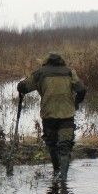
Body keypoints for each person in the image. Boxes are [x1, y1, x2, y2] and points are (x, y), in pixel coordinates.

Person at [17, 53, 86, 181]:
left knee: (52, 145)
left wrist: (20, 85)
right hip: (67, 115)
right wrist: (76, 103)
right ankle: (63, 180)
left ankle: (56, 172)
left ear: (46, 62)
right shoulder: (70, 72)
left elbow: (23, 87)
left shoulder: (40, 73)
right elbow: (81, 89)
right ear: (61, 61)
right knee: (65, 147)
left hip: (49, 116)